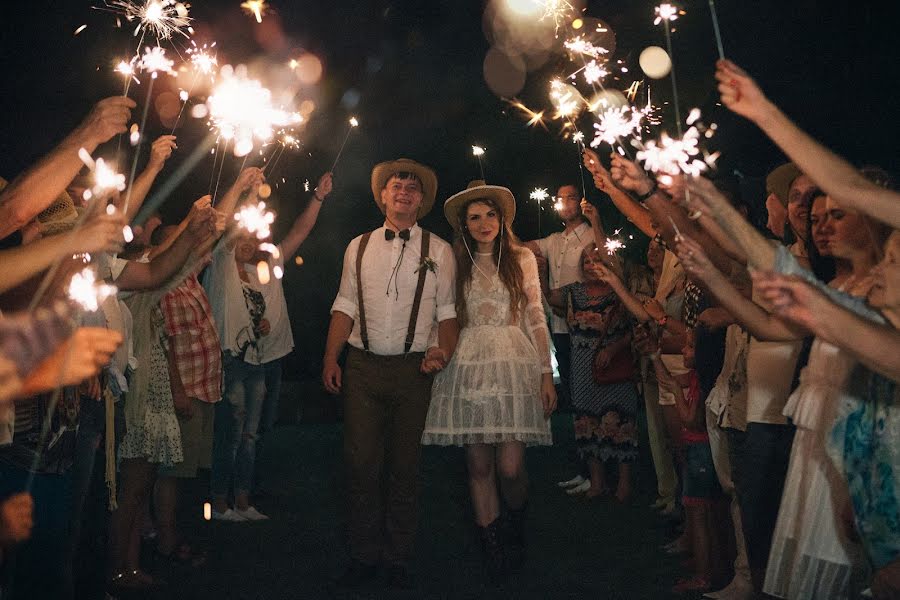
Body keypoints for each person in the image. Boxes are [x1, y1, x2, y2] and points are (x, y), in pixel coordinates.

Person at [322, 159, 458, 590]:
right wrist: (331, 358)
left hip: (412, 370)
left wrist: (443, 351)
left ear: (422, 200)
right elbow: (345, 304)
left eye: (412, 187)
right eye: (396, 185)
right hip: (362, 367)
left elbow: (448, 313)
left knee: (405, 467)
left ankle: (397, 556)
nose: (403, 191)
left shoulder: (439, 250)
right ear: (382, 195)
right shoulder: (357, 246)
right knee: (360, 464)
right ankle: (364, 555)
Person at [421, 181, 556, 580]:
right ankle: (494, 548)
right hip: (467, 365)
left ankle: (516, 524)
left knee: (511, 467)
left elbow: (536, 316)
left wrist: (546, 374)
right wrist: (435, 351)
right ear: (463, 224)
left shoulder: (521, 258)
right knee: (479, 465)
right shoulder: (454, 262)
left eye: (489, 215)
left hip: (513, 364)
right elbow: (442, 316)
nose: (483, 223)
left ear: (502, 219)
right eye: (474, 217)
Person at [546, 246, 639, 503]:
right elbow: (547, 296)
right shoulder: (573, 292)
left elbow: (636, 326)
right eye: (586, 261)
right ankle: (597, 482)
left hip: (614, 365)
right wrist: (541, 269)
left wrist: (614, 348)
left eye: (596, 260)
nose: (590, 265)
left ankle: (623, 483)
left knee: (620, 422)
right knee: (587, 421)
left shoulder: (618, 291)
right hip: (583, 365)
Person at [525, 183, 595, 415]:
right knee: (568, 380)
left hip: (587, 323)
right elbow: (522, 247)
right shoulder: (553, 239)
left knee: (589, 382)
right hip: (560, 325)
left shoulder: (592, 234)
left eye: (571, 197)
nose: (565, 202)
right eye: (560, 197)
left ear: (581, 201)